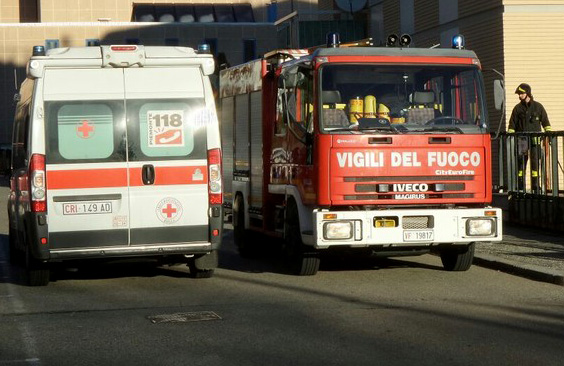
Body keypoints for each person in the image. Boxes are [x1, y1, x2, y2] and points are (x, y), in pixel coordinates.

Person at [507, 83, 552, 191]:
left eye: (521, 93)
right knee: (521, 163)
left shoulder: (538, 107)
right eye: (519, 94)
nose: (519, 96)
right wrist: (511, 139)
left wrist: (549, 136)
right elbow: (512, 126)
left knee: (535, 163)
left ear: (528, 93)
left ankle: (535, 186)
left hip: (535, 140)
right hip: (522, 140)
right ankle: (521, 185)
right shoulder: (517, 109)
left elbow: (546, 123)